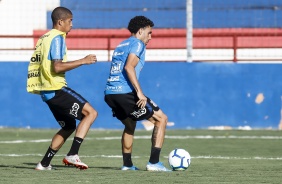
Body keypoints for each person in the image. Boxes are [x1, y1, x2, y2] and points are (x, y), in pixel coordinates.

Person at [26, 7, 98, 170]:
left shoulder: (44, 37)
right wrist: (83, 61)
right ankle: (73, 154)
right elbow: (57, 67)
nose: (72, 24)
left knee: (68, 126)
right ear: (61, 22)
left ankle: (44, 163)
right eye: (70, 21)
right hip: (56, 88)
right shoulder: (57, 37)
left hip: (46, 91)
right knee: (91, 113)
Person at [104, 16, 170, 171]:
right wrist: (140, 93)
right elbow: (129, 67)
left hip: (110, 93)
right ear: (140, 31)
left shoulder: (121, 45)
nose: (150, 37)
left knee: (130, 124)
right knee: (161, 119)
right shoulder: (138, 44)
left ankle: (127, 165)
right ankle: (154, 163)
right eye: (149, 33)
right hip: (125, 92)